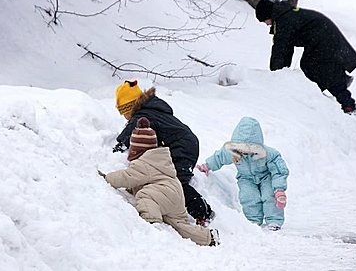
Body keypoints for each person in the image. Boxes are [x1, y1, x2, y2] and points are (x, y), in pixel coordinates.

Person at [100, 117, 219, 246]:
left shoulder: (144, 163)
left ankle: (152, 222)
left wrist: (108, 178)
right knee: (179, 224)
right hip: (175, 195)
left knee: (145, 195)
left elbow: (127, 177)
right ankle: (208, 237)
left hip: (164, 193)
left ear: (137, 150)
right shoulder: (160, 159)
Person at [113, 80, 214, 225]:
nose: (124, 116)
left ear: (131, 106)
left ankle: (203, 212)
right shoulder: (151, 109)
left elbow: (124, 140)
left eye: (123, 111)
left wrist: (116, 150)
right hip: (186, 142)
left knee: (175, 182)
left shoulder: (142, 115)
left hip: (182, 146)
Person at [255, 0, 356, 114]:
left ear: (268, 14)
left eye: (264, 20)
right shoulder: (285, 15)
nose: (266, 24)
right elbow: (286, 49)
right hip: (322, 37)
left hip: (323, 39)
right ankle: (331, 88)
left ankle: (347, 103)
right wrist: (281, 73)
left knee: (322, 69)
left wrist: (276, 75)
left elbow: (280, 49)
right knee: (313, 66)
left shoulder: (284, 20)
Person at [196, 117, 289, 231]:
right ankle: (253, 221)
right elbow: (219, 158)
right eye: (241, 149)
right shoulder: (232, 151)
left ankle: (274, 220)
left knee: (269, 195)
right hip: (246, 179)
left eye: (248, 150)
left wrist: (279, 189)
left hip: (266, 177)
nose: (244, 153)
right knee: (248, 197)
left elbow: (279, 171)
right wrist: (207, 166)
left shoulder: (269, 154)